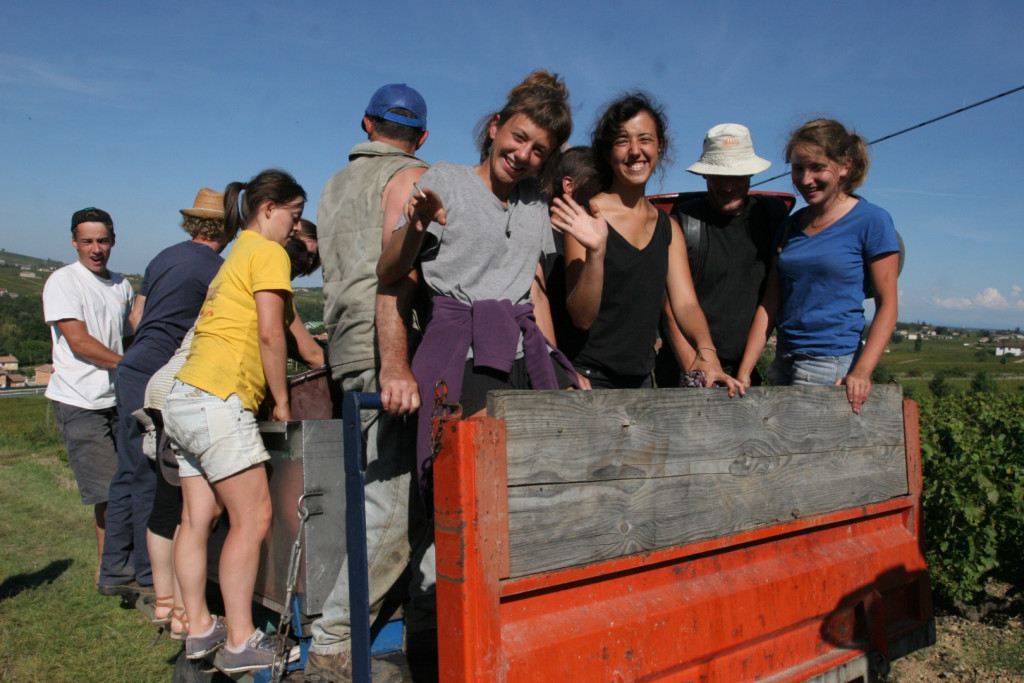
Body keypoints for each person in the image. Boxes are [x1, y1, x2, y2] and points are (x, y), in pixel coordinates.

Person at [378, 69, 580, 498]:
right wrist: (415, 225)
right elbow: (389, 273)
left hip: (525, 347)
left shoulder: (535, 201)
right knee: (474, 484)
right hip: (464, 347)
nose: (523, 154)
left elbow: (532, 289)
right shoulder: (447, 179)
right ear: (494, 128)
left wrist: (556, 359)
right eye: (519, 137)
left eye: (539, 150)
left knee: (558, 465)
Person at [162, 169, 322, 673]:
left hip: (184, 397)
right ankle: (240, 641)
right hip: (218, 397)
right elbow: (272, 334)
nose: (296, 230)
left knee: (196, 519)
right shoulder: (267, 251)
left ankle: (200, 626)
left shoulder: (234, 256)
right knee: (252, 518)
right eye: (294, 218)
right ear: (269, 208)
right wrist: (281, 401)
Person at [305, 83, 431, 683]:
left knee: (371, 494)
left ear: (365, 124)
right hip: (392, 348)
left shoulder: (332, 186)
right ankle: (336, 639)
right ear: (421, 136)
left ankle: (399, 621)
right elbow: (406, 268)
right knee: (398, 500)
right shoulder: (415, 178)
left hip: (345, 345)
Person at [549, 93, 742, 393]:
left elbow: (686, 304)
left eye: (645, 139)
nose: (635, 151)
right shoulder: (584, 218)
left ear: (659, 146)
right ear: (608, 151)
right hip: (585, 383)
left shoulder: (669, 229)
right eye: (622, 140)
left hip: (640, 384)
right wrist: (597, 252)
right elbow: (581, 317)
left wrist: (707, 354)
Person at [98, 189, 236, 605]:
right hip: (159, 371)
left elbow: (137, 316)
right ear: (226, 228)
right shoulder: (216, 268)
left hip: (131, 365)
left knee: (128, 470)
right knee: (152, 476)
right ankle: (148, 576)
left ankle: (113, 571)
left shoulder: (163, 256)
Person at [736, 119, 899, 413]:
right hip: (784, 357)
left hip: (830, 363)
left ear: (845, 166)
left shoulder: (872, 220)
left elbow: (888, 304)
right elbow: (771, 302)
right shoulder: (791, 225)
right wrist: (746, 368)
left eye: (817, 167)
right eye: (798, 168)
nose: (805, 179)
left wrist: (862, 371)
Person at [656, 123, 790, 386]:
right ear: (705, 176)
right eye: (719, 176)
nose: (728, 186)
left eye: (737, 176)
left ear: (750, 174)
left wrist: (745, 370)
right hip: (686, 372)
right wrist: (696, 371)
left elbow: (773, 298)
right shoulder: (684, 221)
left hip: (744, 374)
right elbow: (669, 305)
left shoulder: (771, 218)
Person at [43, 207, 135, 588]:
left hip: (118, 397)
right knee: (108, 489)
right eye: (87, 241)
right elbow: (79, 342)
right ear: (74, 241)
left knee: (129, 483)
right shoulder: (63, 281)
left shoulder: (121, 285)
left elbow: (131, 338)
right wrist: (130, 367)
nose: (96, 249)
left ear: (113, 240)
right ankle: (109, 570)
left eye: (102, 240)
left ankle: (121, 564)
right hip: (80, 399)